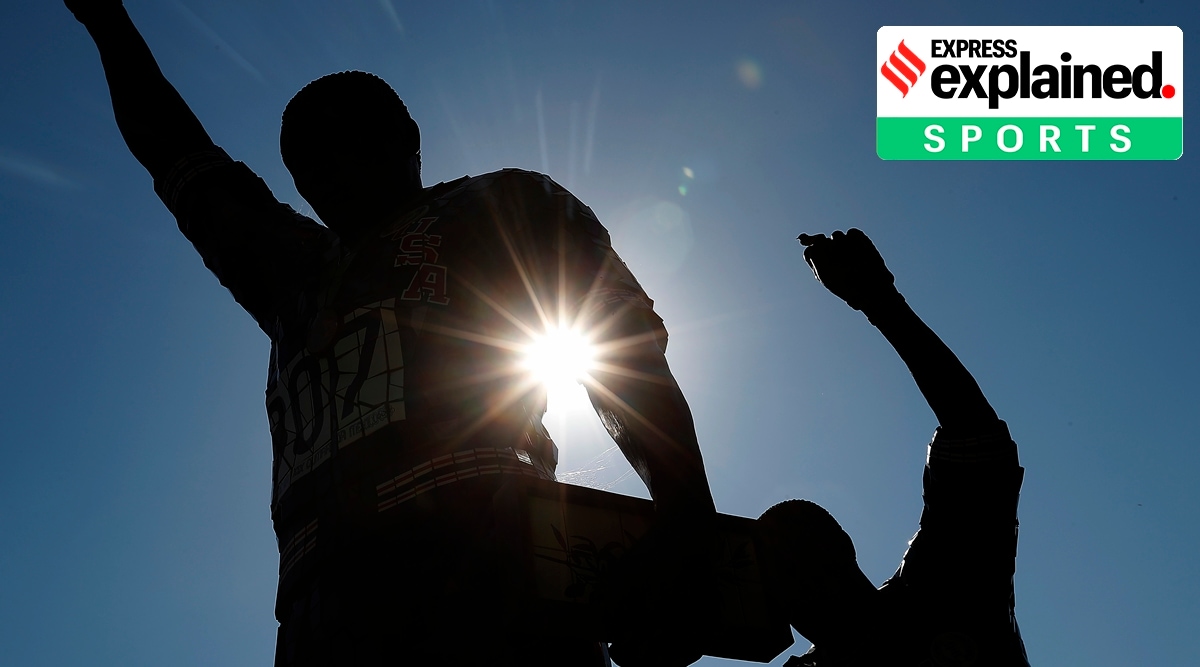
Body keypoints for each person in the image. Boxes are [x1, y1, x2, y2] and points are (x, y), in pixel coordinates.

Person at [65, 2, 715, 665]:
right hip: (322, 614)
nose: (322, 173)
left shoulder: (504, 206)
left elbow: (622, 350)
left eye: (341, 141)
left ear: (405, 136)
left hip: (497, 579)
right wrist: (106, 21)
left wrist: (686, 517)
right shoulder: (294, 273)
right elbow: (177, 152)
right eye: (303, 163)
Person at [759, 229, 1030, 666]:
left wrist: (881, 304)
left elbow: (976, 441)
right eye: (776, 575)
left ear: (843, 549)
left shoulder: (942, 588)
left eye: (803, 562)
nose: (797, 587)